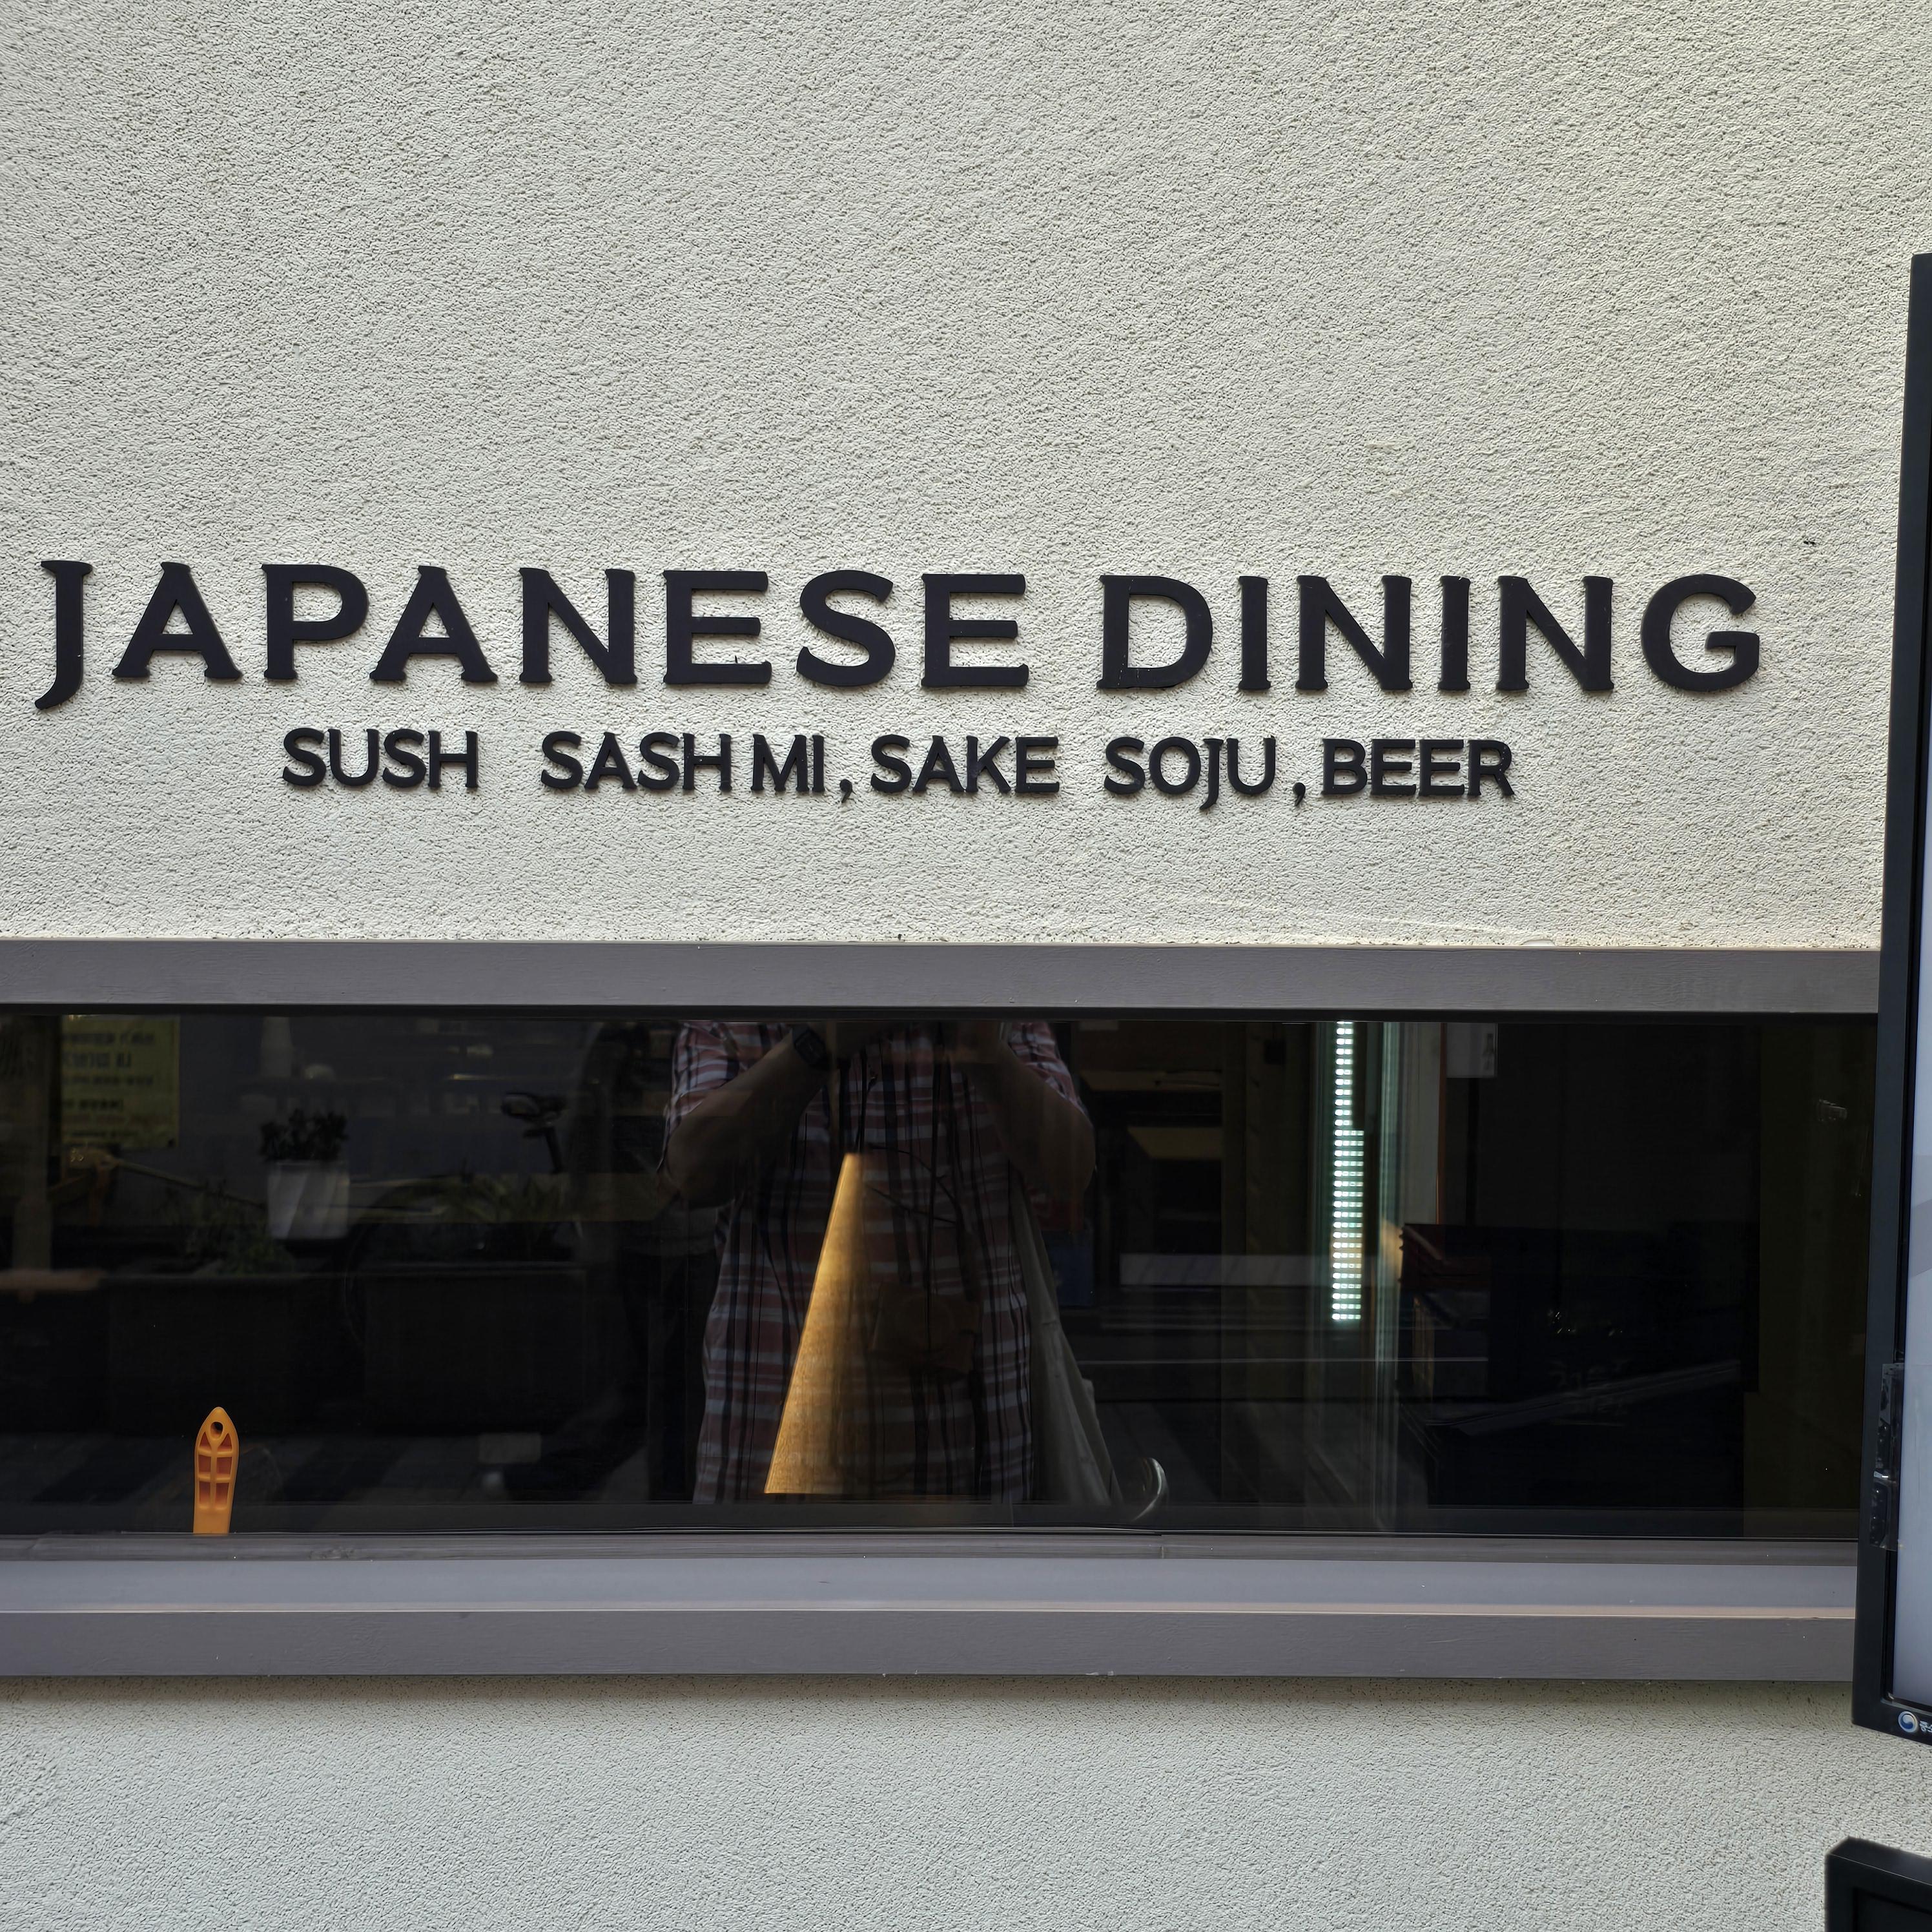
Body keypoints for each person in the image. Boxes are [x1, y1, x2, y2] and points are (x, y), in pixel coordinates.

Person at [663, 1020, 1093, 1503]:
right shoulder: (742, 1011)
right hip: (789, 1412)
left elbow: (1071, 1174)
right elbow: (693, 1173)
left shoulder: (999, 1012)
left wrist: (987, 1055)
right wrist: (818, 1044)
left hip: (970, 1425)